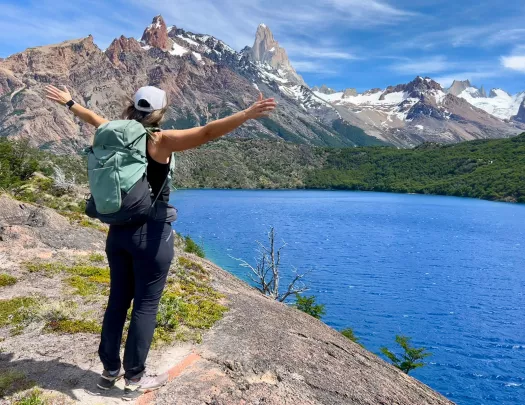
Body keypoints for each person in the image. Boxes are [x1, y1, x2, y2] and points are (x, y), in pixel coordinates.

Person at [45, 84, 277, 393]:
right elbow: (207, 132)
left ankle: (109, 369)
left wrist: (70, 102)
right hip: (151, 234)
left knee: (117, 300)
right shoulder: (159, 140)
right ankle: (136, 377)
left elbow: (93, 118)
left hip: (118, 233)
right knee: (145, 304)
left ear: (131, 108)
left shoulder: (114, 132)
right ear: (160, 112)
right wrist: (246, 114)